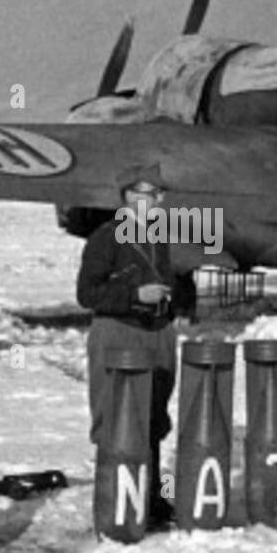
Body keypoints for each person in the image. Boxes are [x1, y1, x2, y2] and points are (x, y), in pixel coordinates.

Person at [77, 163, 188, 526]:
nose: (149, 202)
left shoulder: (162, 236)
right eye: (141, 194)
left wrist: (176, 303)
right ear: (126, 197)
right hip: (117, 332)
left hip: (158, 334)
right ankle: (113, 501)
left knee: (154, 417)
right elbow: (87, 293)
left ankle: (152, 500)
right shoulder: (106, 237)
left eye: (155, 195)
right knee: (115, 418)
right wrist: (135, 294)